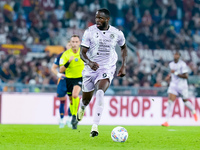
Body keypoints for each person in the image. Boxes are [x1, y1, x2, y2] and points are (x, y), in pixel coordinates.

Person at [77, 8, 127, 137]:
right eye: (96, 18)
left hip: (107, 67)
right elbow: (82, 53)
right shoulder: (89, 32)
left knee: (100, 92)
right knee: (86, 100)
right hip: (90, 69)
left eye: (100, 18)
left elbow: (123, 47)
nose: (97, 20)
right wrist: (89, 62)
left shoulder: (116, 33)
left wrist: (123, 65)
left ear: (107, 19)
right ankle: (82, 107)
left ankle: (95, 126)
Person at [162, 51, 198, 127]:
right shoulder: (171, 64)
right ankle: (166, 121)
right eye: (175, 54)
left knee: (185, 101)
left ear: (179, 56)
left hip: (182, 86)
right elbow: (171, 73)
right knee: (170, 102)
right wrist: (169, 76)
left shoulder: (182, 65)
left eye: (177, 55)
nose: (175, 56)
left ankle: (193, 111)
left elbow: (186, 76)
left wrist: (175, 73)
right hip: (173, 85)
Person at [59, 35, 84, 129]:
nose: (74, 44)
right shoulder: (65, 54)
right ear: (70, 43)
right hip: (69, 79)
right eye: (73, 42)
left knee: (75, 95)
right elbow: (61, 69)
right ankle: (74, 118)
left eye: (76, 42)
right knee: (71, 100)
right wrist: (68, 62)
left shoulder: (84, 52)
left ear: (79, 42)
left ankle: (74, 116)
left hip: (79, 78)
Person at [51, 41, 72, 128]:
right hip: (63, 81)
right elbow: (53, 68)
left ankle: (69, 120)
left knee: (73, 101)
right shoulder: (61, 55)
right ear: (66, 46)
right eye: (69, 44)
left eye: (72, 44)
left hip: (73, 80)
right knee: (62, 101)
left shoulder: (77, 55)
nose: (71, 46)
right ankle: (62, 120)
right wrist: (59, 75)